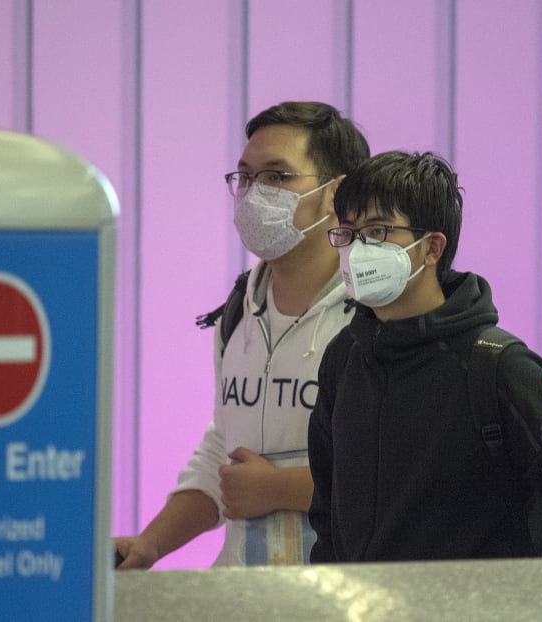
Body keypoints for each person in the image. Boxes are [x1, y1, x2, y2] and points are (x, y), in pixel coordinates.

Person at [308, 150, 542, 562]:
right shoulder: (345, 357)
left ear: (432, 248)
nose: (356, 250)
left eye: (378, 231)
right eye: (348, 233)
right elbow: (327, 511)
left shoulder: (498, 366)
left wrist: (530, 607)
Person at [114, 101, 370, 568]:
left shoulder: (375, 317)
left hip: (344, 598)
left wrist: (277, 489)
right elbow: (224, 452)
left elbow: (400, 471)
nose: (254, 194)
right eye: (245, 177)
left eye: (276, 176)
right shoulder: (238, 312)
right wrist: (151, 542)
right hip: (244, 598)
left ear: (337, 193)